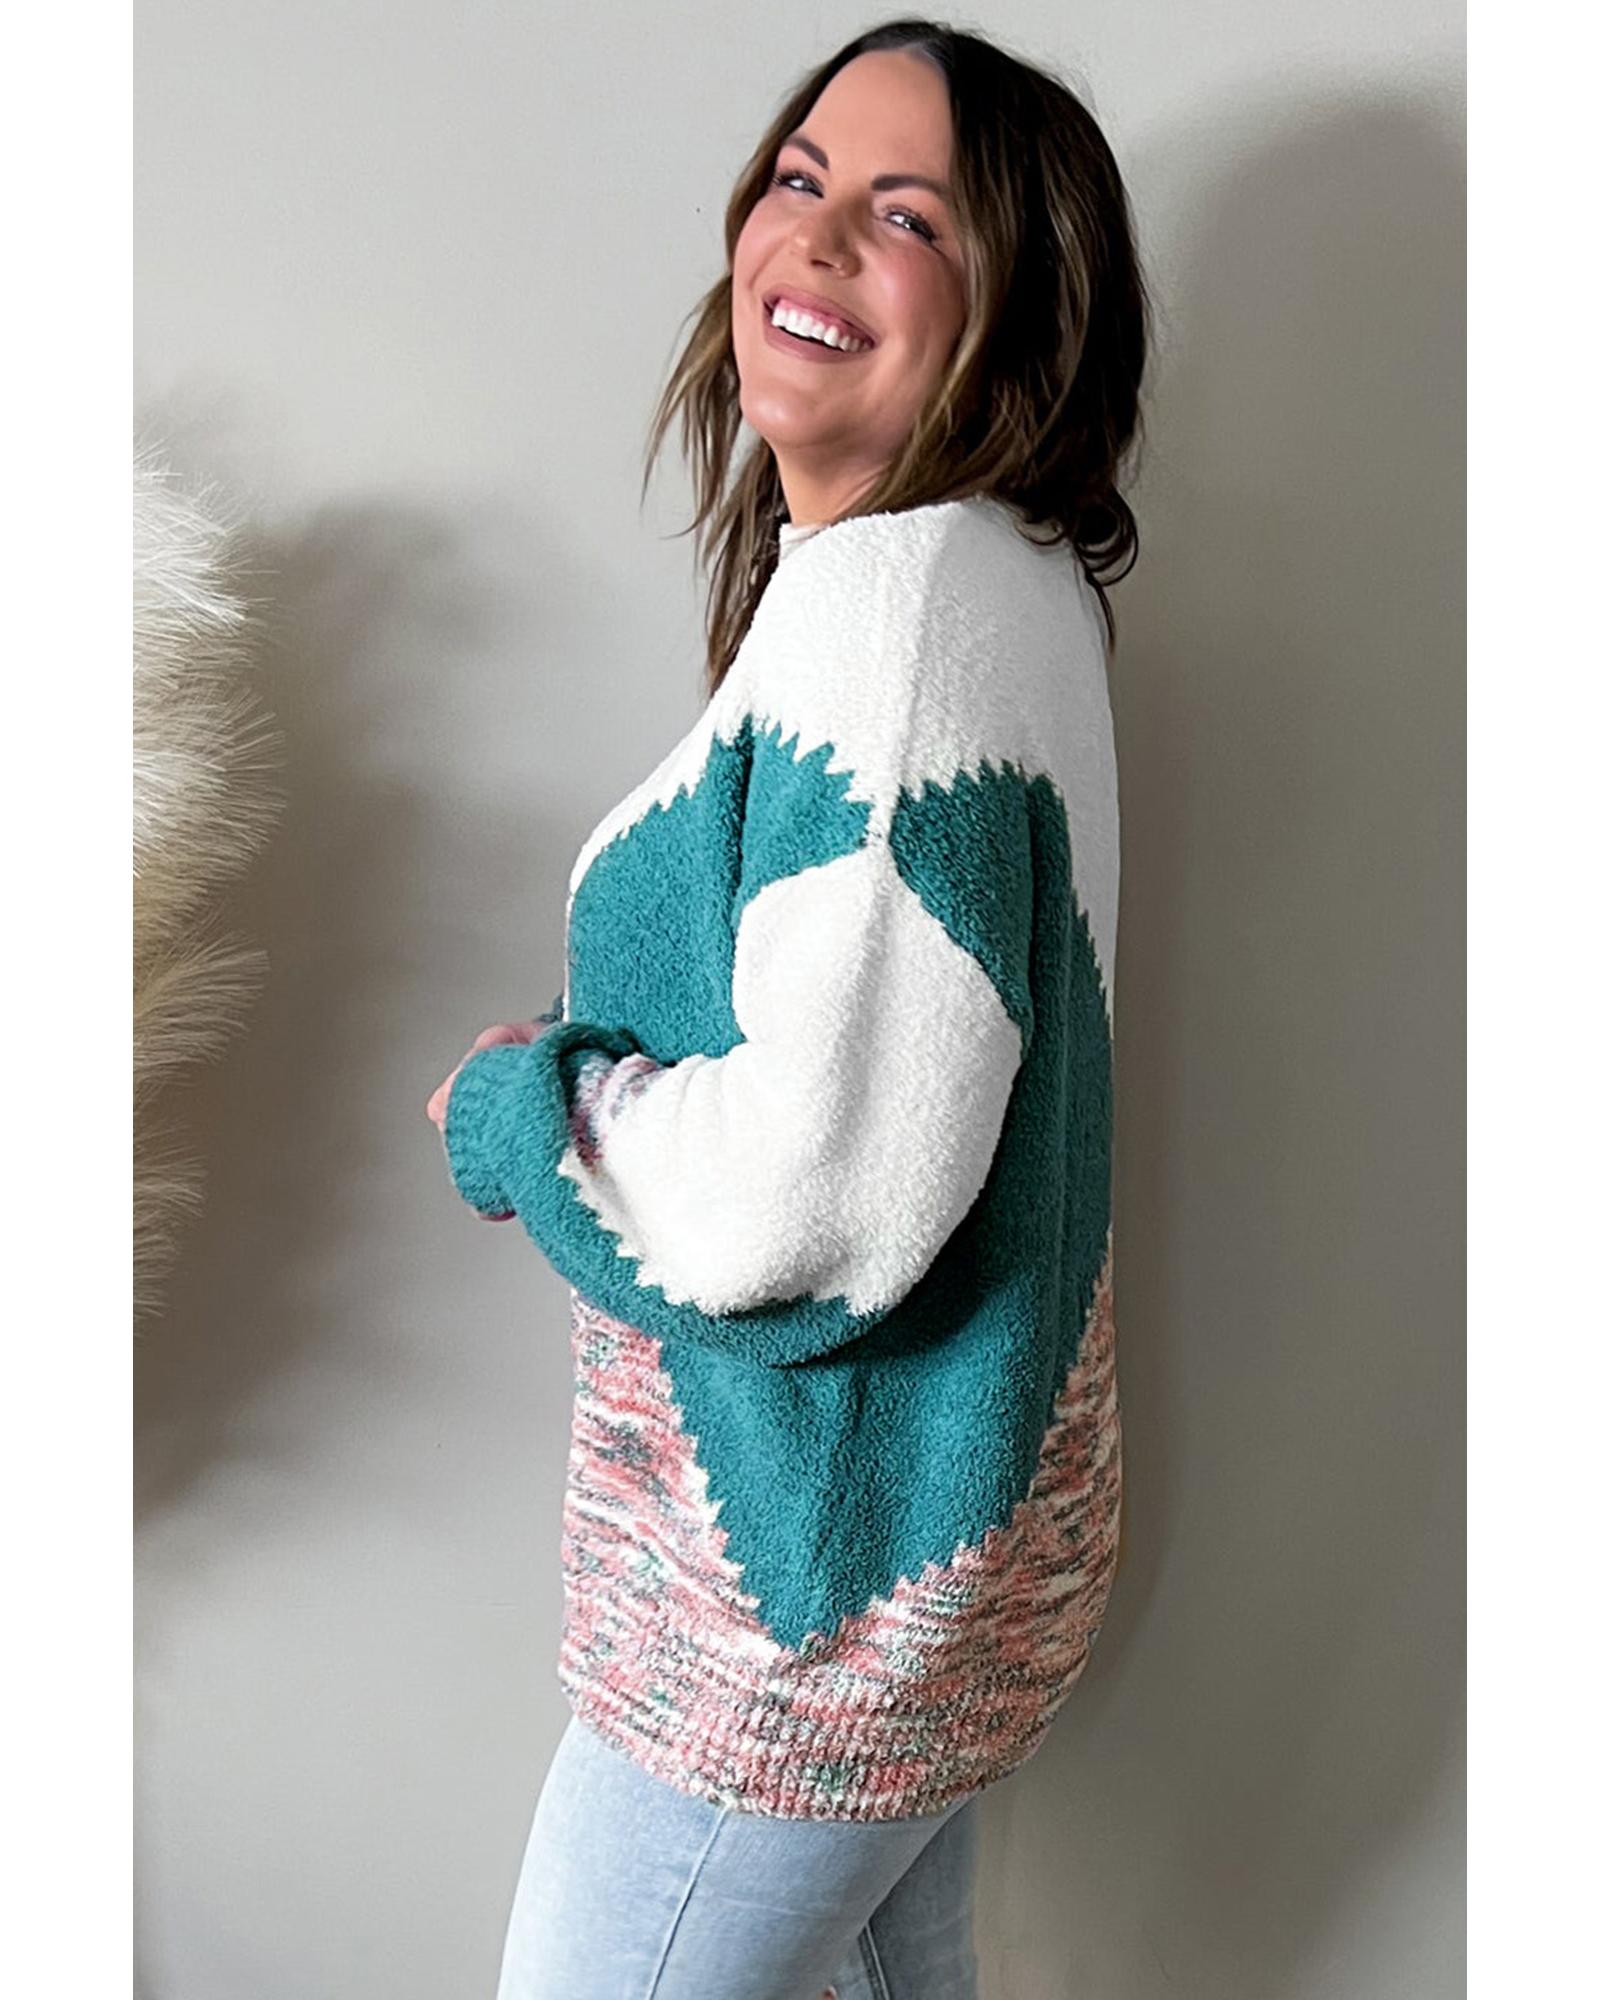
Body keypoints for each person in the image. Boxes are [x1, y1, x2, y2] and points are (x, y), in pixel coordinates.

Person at [426, 17, 1150, 1997]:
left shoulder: (896, 617)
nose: (814, 236)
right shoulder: (988, 591)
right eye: (803, 177)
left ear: (1018, 318)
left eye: (905, 215)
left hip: (800, 1610)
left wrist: (522, 1115)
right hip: (910, 1564)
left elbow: (814, 1192)